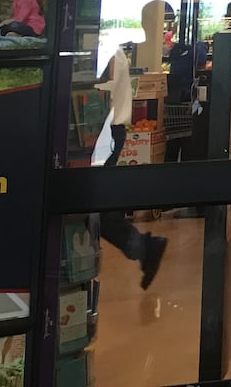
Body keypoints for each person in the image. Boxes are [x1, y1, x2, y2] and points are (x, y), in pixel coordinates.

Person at [93, 46, 168, 287]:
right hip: (109, 130)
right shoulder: (113, 53)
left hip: (105, 131)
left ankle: (143, 247)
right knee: (97, 205)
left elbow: (102, 90)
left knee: (94, 204)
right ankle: (143, 247)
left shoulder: (108, 53)